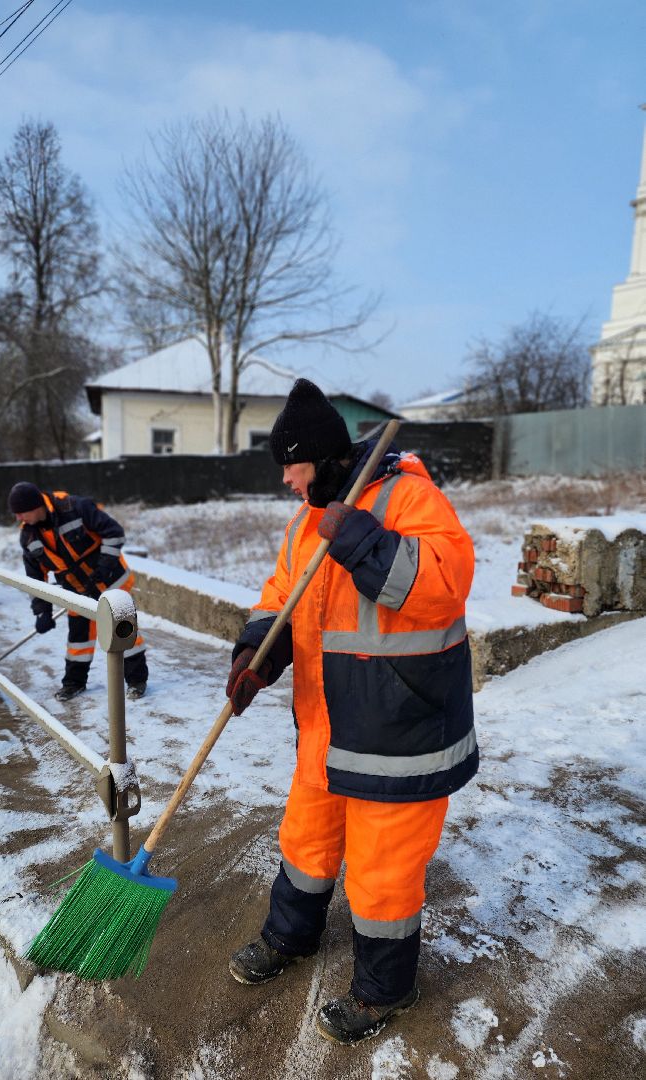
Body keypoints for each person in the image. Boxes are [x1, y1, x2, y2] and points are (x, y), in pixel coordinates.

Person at [225, 379, 478, 1046]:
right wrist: (257, 651)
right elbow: (283, 592)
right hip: (327, 728)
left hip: (401, 730)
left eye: (291, 464)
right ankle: (291, 936)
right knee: (305, 841)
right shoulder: (307, 519)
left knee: (382, 870)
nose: (284, 478)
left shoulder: (408, 498)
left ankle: (383, 990)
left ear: (322, 457)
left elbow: (446, 586)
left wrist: (365, 541)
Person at [8, 482, 148, 702]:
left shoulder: (74, 508)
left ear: (35, 506)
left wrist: (103, 569)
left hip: (112, 583)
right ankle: (74, 684)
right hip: (78, 591)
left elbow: (114, 533)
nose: (18, 519)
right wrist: (42, 611)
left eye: (21, 513)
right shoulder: (29, 537)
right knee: (78, 638)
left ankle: (137, 681)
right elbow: (36, 578)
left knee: (122, 631)